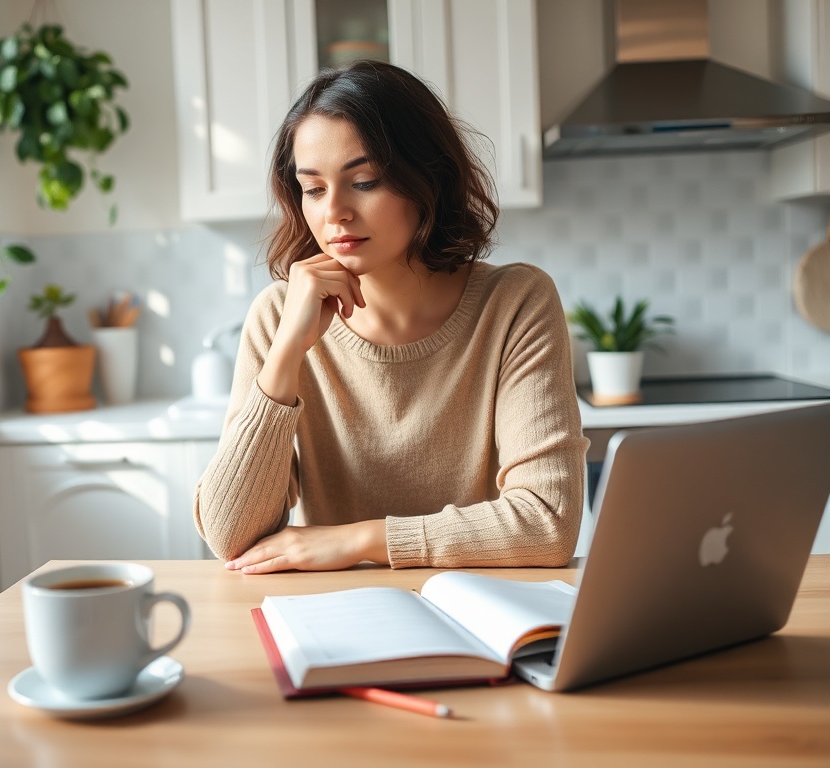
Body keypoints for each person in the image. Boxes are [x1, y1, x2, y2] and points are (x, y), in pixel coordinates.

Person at [194, 60, 588, 574]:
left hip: (475, 607)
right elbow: (231, 536)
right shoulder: (277, 315)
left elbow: (548, 523)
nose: (334, 212)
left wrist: (360, 540)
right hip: (333, 609)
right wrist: (287, 351)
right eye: (313, 189)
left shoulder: (516, 302)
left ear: (428, 178)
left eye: (364, 181)